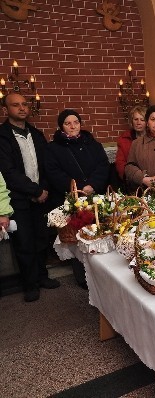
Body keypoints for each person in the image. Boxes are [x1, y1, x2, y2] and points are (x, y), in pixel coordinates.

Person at [0, 92, 60, 302]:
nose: (22, 108)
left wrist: (43, 190)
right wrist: (34, 191)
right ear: (6, 110)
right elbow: (8, 172)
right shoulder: (3, 137)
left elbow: (46, 166)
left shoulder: (36, 134)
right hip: (19, 199)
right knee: (24, 243)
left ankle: (42, 276)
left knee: (42, 239)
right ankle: (30, 284)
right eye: (16, 105)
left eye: (24, 104)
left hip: (41, 198)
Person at [46, 109, 111, 289]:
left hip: (93, 197)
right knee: (76, 238)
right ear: (61, 127)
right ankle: (82, 277)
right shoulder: (53, 148)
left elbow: (103, 166)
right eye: (68, 123)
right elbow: (53, 172)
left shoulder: (92, 143)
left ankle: (102, 274)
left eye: (76, 122)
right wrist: (74, 188)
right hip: (70, 199)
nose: (73, 126)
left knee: (97, 235)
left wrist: (92, 185)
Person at [115, 105, 147, 183]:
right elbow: (120, 163)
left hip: (152, 178)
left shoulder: (154, 137)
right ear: (131, 121)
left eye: (142, 120)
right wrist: (133, 177)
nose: (138, 123)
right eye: (136, 119)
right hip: (132, 180)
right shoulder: (124, 139)